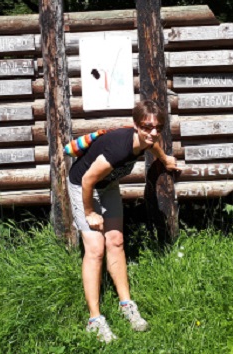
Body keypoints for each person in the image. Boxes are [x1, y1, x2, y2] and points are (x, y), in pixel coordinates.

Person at [67, 100, 180, 343]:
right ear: (136, 125)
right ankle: (94, 320)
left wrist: (164, 158)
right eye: (147, 127)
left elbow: (154, 145)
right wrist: (89, 213)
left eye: (157, 127)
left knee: (116, 240)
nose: (152, 132)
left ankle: (126, 304)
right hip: (83, 186)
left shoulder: (147, 139)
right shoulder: (119, 148)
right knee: (96, 249)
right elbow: (87, 181)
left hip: (107, 185)